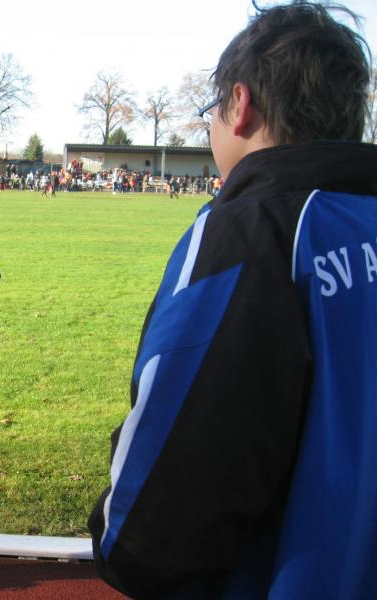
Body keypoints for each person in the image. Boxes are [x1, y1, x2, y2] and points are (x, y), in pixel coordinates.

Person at [89, 2, 377, 598]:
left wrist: (118, 540)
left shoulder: (251, 231)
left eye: (210, 110)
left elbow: (160, 512)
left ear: (240, 104)